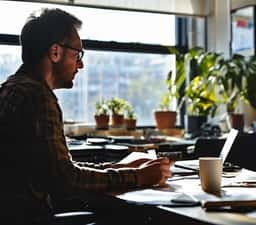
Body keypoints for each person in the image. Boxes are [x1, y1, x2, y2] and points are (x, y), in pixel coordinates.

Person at [0, 8, 171, 224]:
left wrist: (125, 168)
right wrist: (139, 177)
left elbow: (59, 170)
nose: (81, 64)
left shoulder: (11, 88)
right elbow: (67, 180)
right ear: (55, 52)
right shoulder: (38, 98)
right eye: (77, 54)